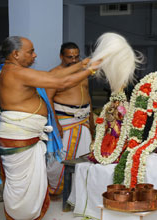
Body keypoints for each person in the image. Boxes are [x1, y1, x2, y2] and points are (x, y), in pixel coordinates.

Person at [0, 36, 99, 220]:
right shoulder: (16, 72)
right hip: (19, 137)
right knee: (22, 187)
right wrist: (90, 70)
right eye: (30, 52)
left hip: (24, 136)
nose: (35, 55)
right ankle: (20, 216)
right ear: (16, 54)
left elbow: (55, 76)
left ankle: (25, 215)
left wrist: (83, 64)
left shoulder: (13, 70)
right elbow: (59, 82)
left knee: (28, 185)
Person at [45, 42, 95, 197]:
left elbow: (88, 96)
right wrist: (56, 123)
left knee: (84, 158)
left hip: (84, 121)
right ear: (61, 56)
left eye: (76, 57)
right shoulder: (54, 74)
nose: (74, 60)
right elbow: (48, 99)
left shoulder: (84, 72)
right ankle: (54, 189)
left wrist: (92, 121)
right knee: (57, 161)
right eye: (69, 57)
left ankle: (77, 191)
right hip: (65, 121)